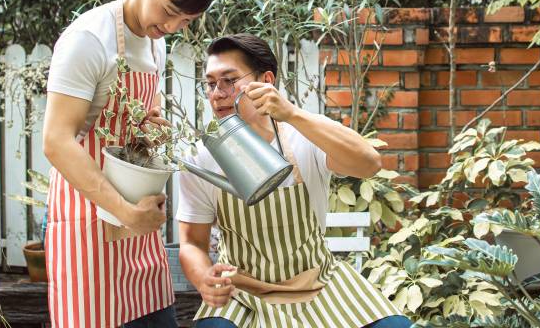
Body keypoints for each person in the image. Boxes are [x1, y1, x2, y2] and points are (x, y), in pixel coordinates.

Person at [177, 34, 413, 328]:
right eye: (211, 84)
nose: (218, 93)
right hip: (243, 293)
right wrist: (204, 278)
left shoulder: (304, 135)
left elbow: (369, 163)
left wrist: (292, 113)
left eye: (229, 80)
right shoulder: (201, 157)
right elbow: (191, 242)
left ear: (265, 80)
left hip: (319, 285)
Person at [43, 0, 218, 328]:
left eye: (186, 21)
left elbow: (133, 122)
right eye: (170, 12)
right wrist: (124, 213)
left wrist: (149, 130)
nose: (172, 27)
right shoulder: (88, 40)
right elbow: (56, 141)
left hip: (137, 225)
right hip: (88, 219)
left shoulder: (155, 44)